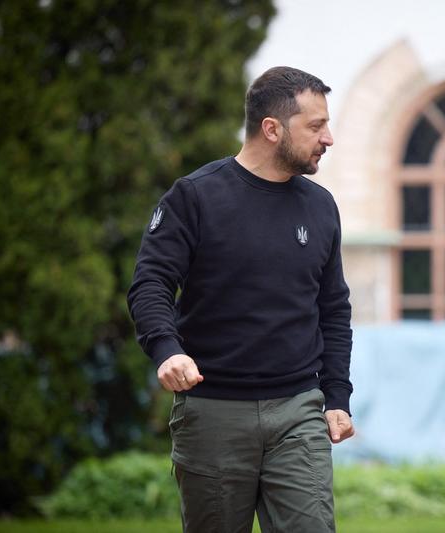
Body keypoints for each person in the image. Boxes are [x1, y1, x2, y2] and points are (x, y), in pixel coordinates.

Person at [127, 66, 354, 533]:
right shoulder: (194, 198)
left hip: (298, 409)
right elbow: (150, 284)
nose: (328, 138)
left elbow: (333, 309)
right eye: (316, 125)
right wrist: (167, 350)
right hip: (212, 411)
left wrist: (337, 395)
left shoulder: (321, 206)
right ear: (272, 129)